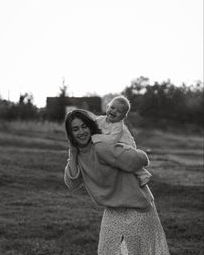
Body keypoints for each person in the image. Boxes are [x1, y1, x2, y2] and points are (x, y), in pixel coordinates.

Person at [64, 109, 170, 255]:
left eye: (84, 126)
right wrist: (73, 153)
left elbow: (141, 160)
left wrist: (128, 149)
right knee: (106, 251)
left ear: (91, 126)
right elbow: (72, 183)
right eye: (75, 129)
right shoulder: (79, 154)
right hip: (113, 210)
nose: (81, 132)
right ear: (70, 134)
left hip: (137, 208)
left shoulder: (102, 146)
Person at [92, 95, 152, 187]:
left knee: (125, 160)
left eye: (119, 111)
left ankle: (143, 175)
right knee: (115, 157)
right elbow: (92, 125)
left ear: (123, 117)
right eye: (112, 107)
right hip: (115, 145)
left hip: (125, 145)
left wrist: (96, 137)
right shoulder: (100, 120)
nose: (114, 111)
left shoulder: (118, 126)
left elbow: (112, 140)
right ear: (107, 107)